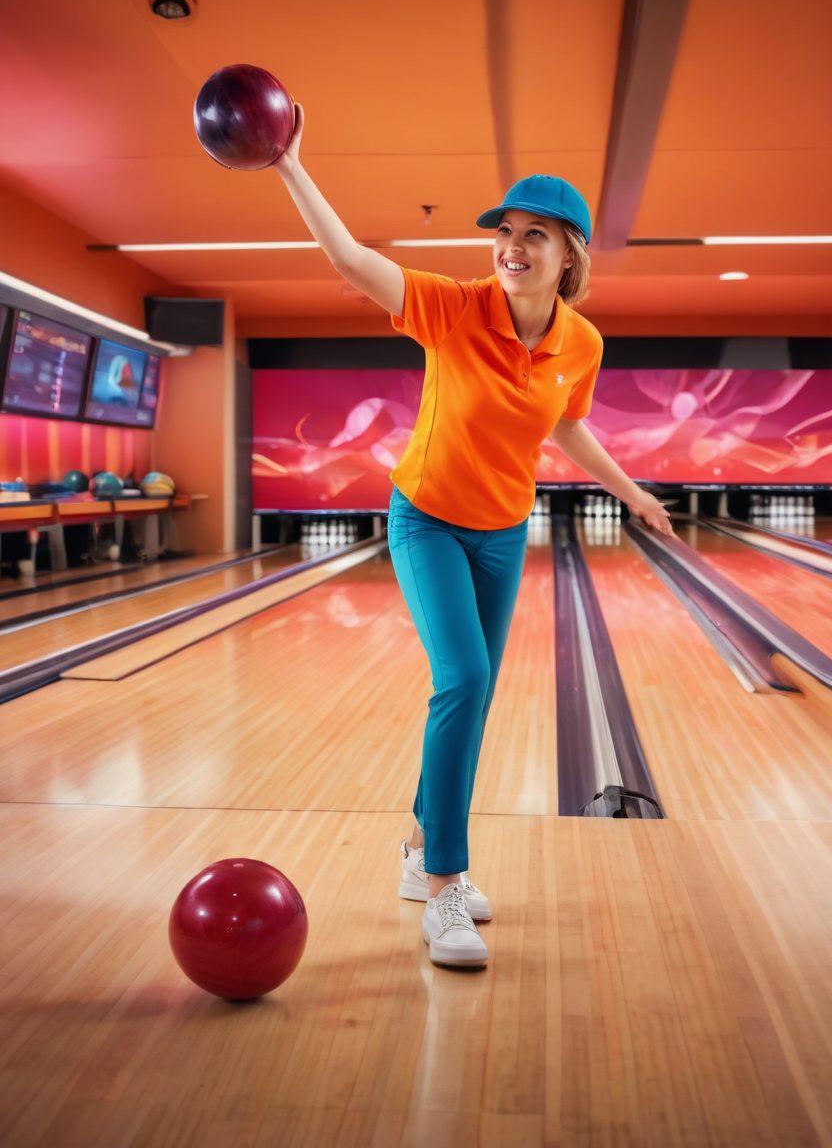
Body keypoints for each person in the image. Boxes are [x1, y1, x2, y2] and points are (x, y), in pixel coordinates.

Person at [275, 102, 674, 969]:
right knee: (460, 679)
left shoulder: (582, 342)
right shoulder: (455, 310)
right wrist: (290, 166)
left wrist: (632, 491)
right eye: (504, 231)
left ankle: (420, 852)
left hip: (503, 530)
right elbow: (349, 260)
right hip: (426, 518)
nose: (512, 246)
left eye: (535, 234)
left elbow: (566, 427)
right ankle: (446, 886)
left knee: (478, 694)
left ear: (569, 253)